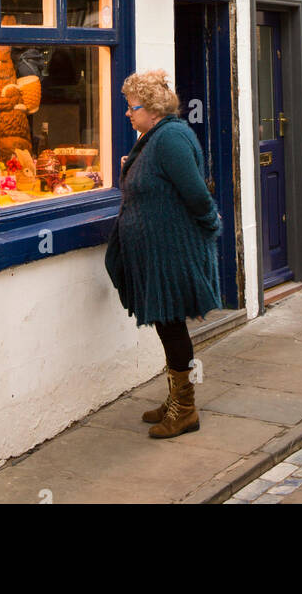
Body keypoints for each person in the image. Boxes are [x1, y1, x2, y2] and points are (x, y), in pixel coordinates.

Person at [104, 69, 222, 438]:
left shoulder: (169, 138)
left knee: (171, 326)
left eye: (131, 107)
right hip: (156, 252)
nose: (127, 113)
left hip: (170, 252)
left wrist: (210, 224)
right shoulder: (153, 138)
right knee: (166, 325)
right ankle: (175, 397)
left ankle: (184, 409)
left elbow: (196, 193)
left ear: (152, 109)